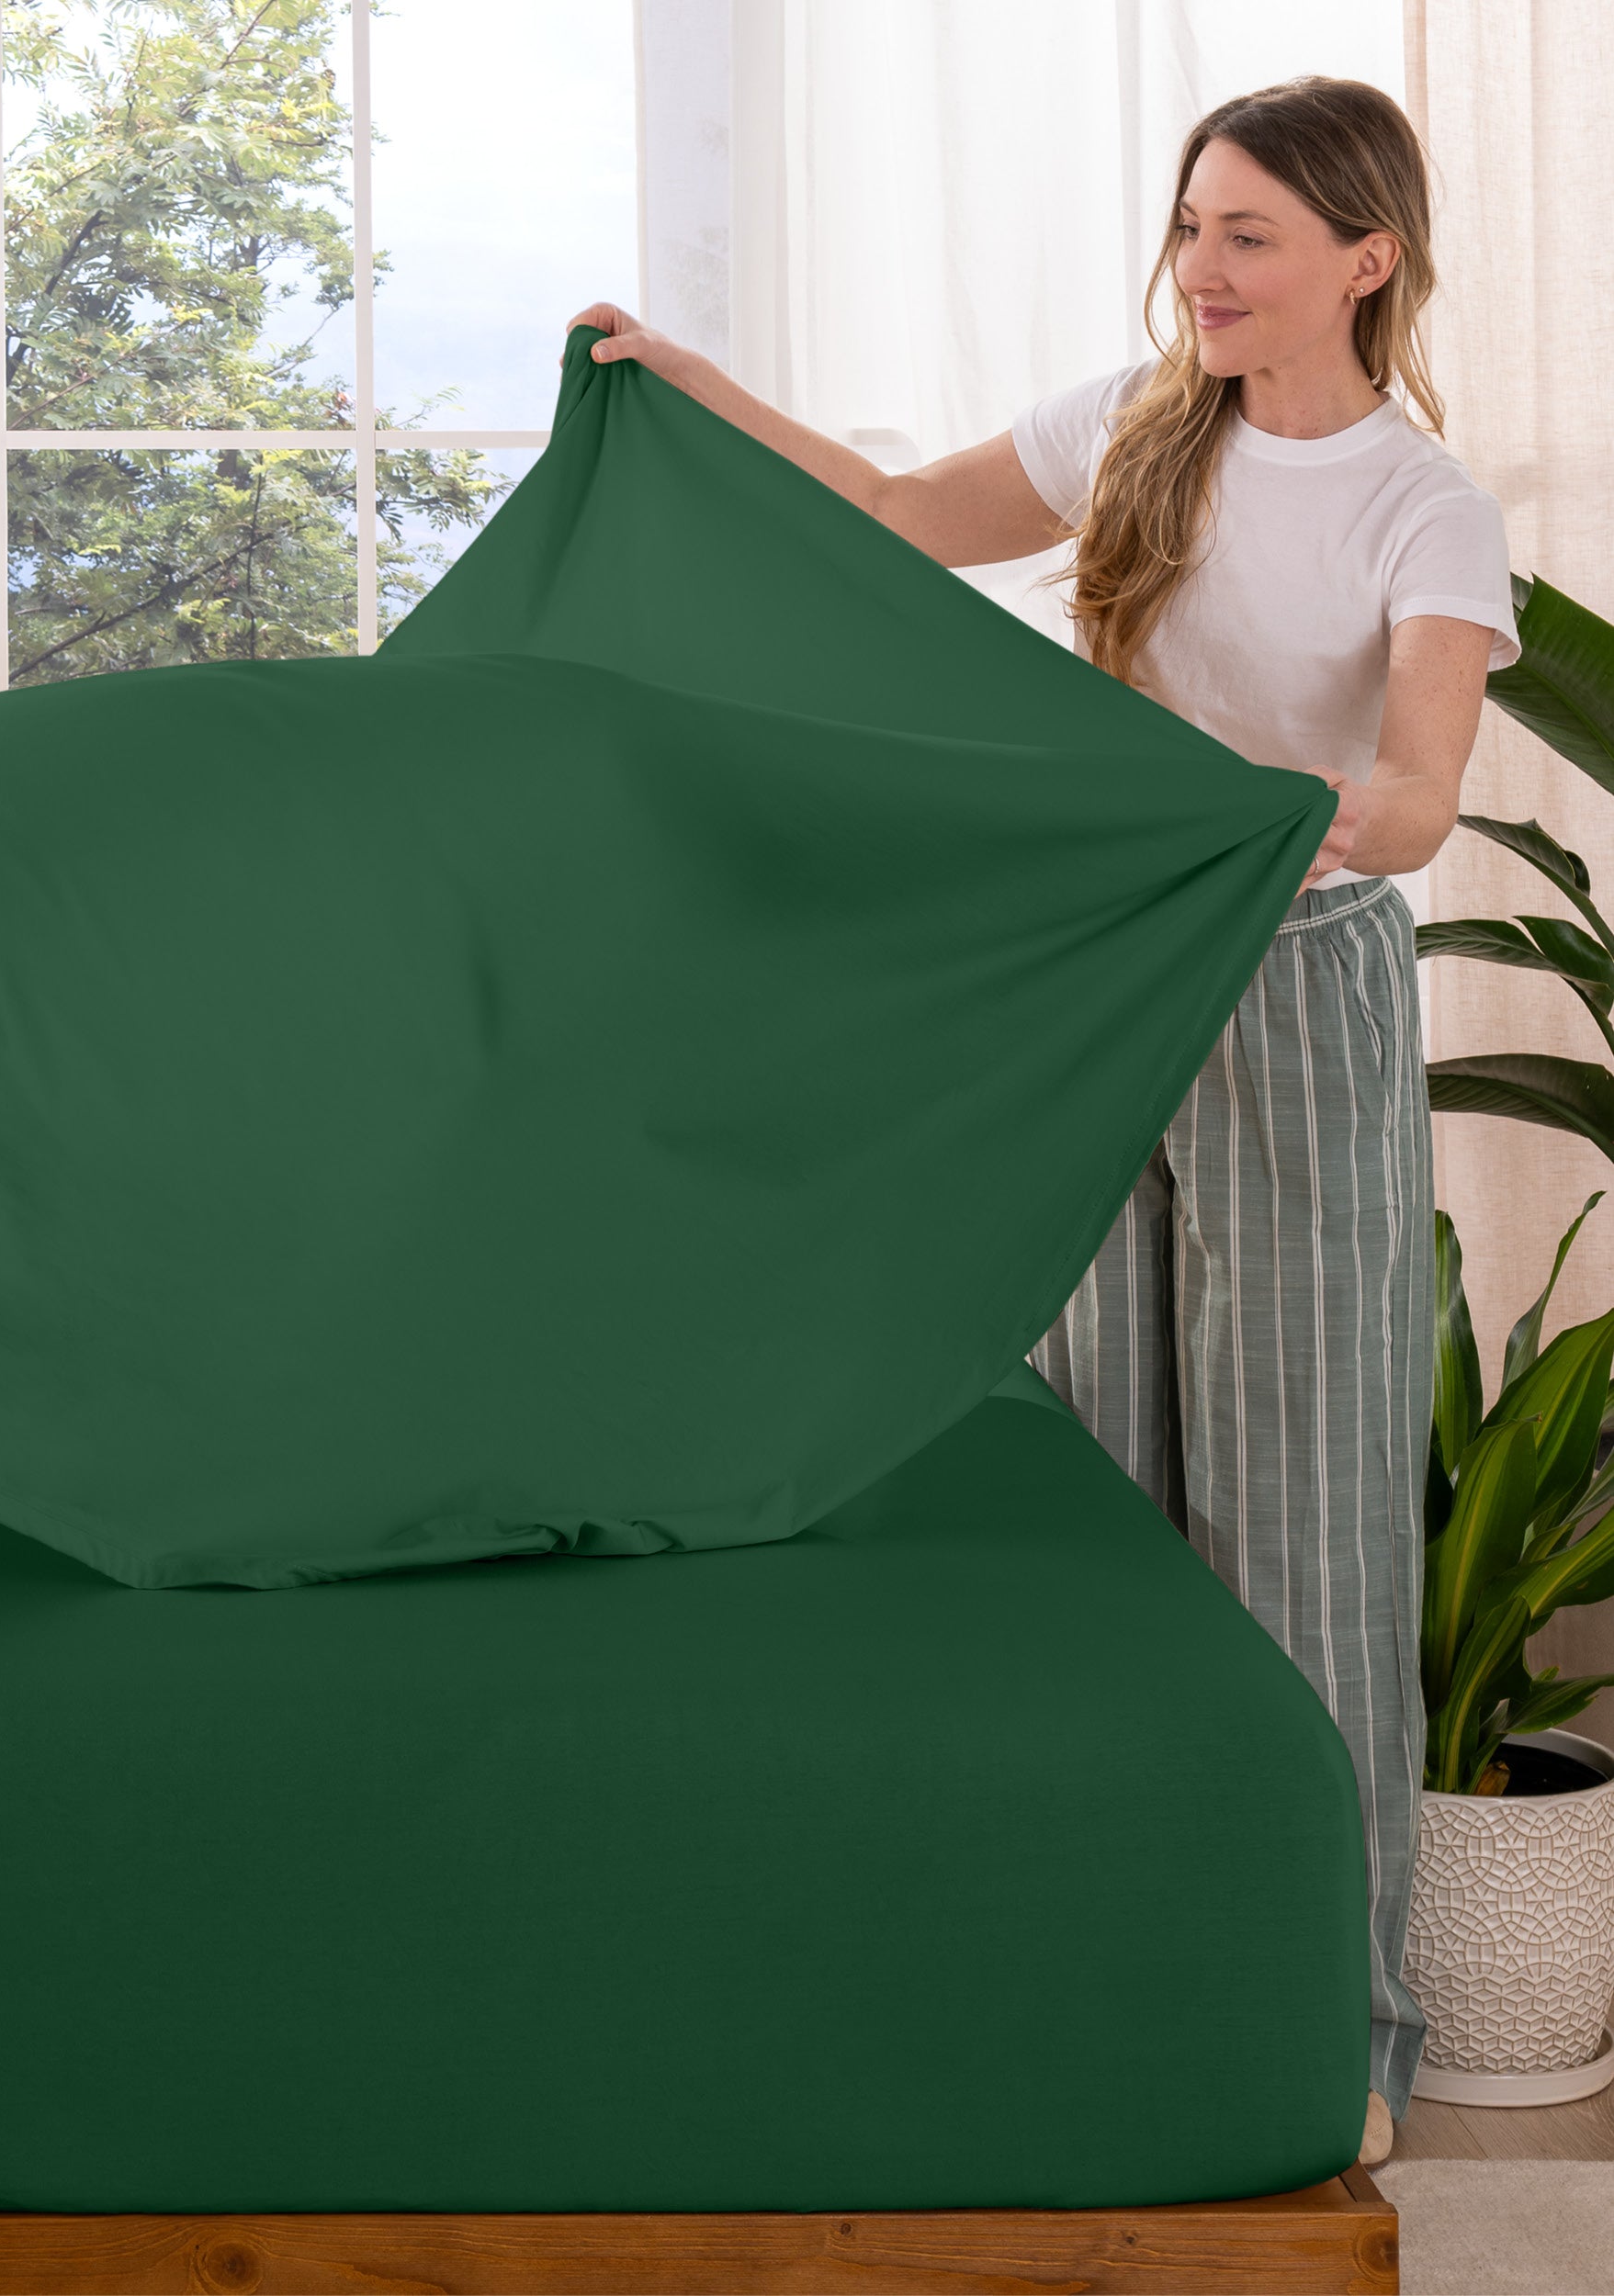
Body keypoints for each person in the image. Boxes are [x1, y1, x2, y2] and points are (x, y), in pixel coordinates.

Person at [570, 75, 1519, 2170]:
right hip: (1091, 980)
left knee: (1294, 1535)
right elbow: (899, 522)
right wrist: (689, 384)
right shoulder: (1129, 420)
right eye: (1190, 225)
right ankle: (1112, 1974)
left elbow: (1417, 798)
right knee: (1098, 1498)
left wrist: (1225, 822)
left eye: (1249, 233)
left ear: (1363, 257)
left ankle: (1332, 2026)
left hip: (1288, 982)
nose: (1200, 265)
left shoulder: (1418, 505)